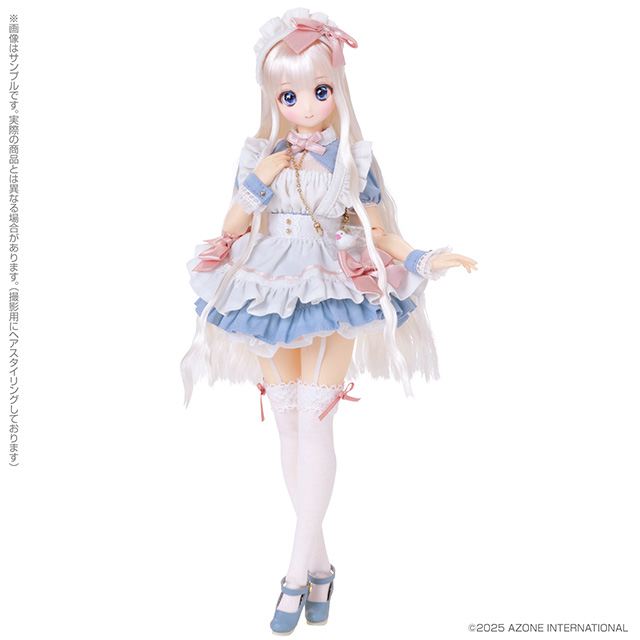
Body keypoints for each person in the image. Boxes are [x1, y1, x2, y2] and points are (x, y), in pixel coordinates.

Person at [181, 8, 477, 635]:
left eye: (319, 91)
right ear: (274, 98)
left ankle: (295, 573)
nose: (306, 106)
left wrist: (423, 258)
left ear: (337, 88)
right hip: (266, 283)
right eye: (289, 96)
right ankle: (320, 566)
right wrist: (264, 176)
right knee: (288, 424)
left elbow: (380, 231)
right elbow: (231, 226)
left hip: (331, 281)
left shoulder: (352, 160)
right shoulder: (260, 153)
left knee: (314, 422)